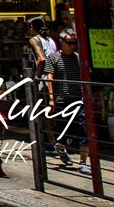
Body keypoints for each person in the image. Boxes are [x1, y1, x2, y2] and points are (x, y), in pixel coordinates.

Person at [45, 27, 91, 175]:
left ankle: (83, 162)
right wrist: (52, 98)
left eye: (74, 43)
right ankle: (61, 147)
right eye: (69, 42)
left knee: (83, 130)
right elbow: (49, 78)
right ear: (61, 42)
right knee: (63, 131)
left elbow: (86, 76)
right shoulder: (53, 58)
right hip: (61, 100)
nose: (72, 46)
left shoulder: (78, 58)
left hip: (77, 99)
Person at [28, 16, 58, 151]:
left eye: (30, 26)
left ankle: (51, 141)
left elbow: (41, 59)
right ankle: (54, 139)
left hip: (44, 77)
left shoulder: (34, 40)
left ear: (33, 27)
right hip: (55, 76)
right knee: (51, 110)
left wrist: (36, 75)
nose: (29, 29)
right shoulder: (50, 40)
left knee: (42, 109)